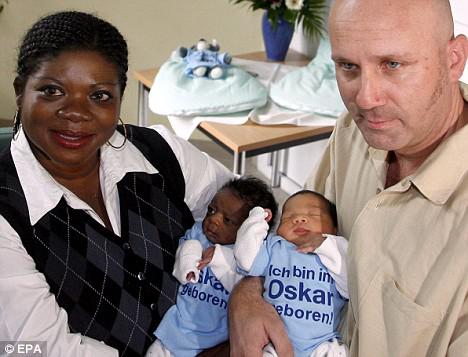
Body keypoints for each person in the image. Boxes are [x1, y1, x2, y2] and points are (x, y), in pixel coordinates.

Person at [228, 0, 468, 356]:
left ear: (454, 59)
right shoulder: (352, 133)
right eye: (348, 67)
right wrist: (246, 295)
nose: (366, 99)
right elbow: (295, 242)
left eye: (393, 64)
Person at [0, 11, 235, 357]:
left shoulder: (160, 153)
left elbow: (249, 212)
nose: (76, 112)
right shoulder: (8, 212)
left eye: (99, 96)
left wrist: (245, 297)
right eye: (52, 91)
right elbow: (36, 349)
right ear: (21, 92)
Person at [145, 176, 277, 357]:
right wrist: (190, 256)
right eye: (211, 210)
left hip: (219, 338)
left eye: (228, 220)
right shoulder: (199, 233)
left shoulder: (250, 255)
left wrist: (220, 256)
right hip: (176, 330)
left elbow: (248, 281)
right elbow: (186, 248)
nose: (214, 220)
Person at [234, 190, 348, 357]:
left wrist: (325, 244)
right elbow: (245, 259)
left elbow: (350, 285)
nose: (299, 219)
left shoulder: (336, 250)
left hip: (321, 343)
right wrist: (256, 220)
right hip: (275, 339)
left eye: (313, 215)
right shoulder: (275, 246)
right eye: (287, 217)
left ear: (335, 229)